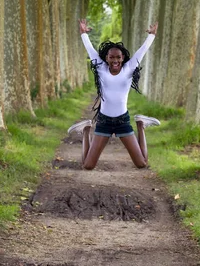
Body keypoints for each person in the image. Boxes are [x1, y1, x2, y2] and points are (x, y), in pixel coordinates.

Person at [67, 19, 161, 170]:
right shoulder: (101, 68)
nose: (115, 60)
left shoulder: (129, 68)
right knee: (88, 166)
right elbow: (90, 49)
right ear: (106, 58)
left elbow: (142, 51)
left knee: (141, 164)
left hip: (122, 121)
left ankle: (141, 125)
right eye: (112, 57)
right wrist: (83, 33)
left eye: (118, 57)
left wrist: (151, 35)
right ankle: (85, 129)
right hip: (104, 122)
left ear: (123, 58)